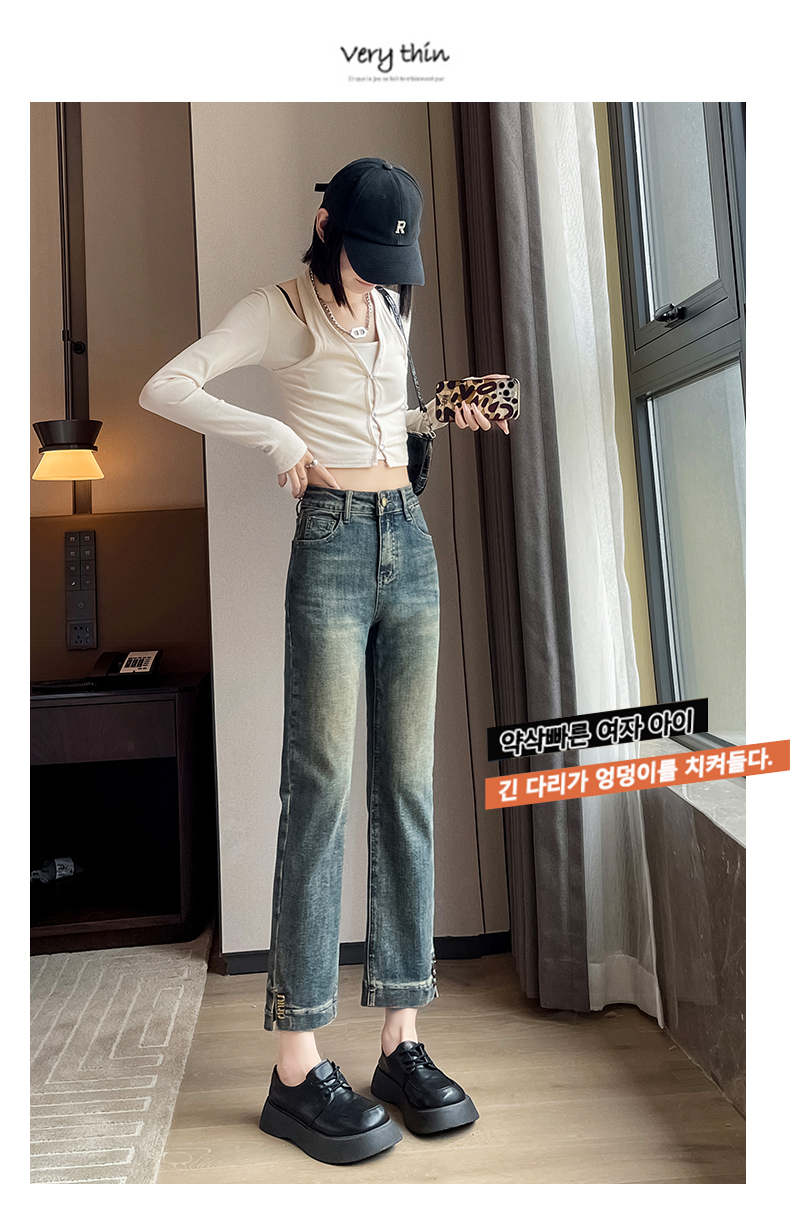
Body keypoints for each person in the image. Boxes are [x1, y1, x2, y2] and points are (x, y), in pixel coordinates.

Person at [139, 157, 509, 1166]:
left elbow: (380, 420)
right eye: (366, 254)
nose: (379, 276)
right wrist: (273, 438)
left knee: (408, 789)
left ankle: (400, 1041)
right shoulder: (278, 309)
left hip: (409, 542)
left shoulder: (387, 301)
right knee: (320, 788)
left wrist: (441, 414)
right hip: (334, 545)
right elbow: (167, 385)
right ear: (323, 225)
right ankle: (296, 1067)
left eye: (394, 262)